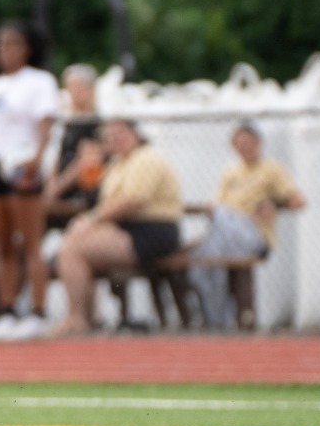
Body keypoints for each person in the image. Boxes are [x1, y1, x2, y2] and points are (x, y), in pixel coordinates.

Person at [55, 117, 185, 334]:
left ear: (135, 134)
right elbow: (96, 198)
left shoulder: (146, 159)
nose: (115, 140)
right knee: (73, 244)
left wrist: (91, 219)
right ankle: (88, 317)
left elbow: (132, 202)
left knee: (72, 249)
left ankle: (77, 318)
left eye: (120, 134)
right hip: (126, 229)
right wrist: (87, 164)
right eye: (110, 136)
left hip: (151, 231)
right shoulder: (116, 164)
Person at [0, 20, 60, 341]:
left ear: (28, 48)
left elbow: (44, 122)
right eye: (0, 45)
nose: (5, 51)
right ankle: (7, 310)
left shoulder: (39, 82)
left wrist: (35, 160)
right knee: (2, 245)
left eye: (13, 44)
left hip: (23, 163)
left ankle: (38, 312)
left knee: (31, 242)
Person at [207, 121, 306, 327]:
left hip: (255, 234)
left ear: (258, 143)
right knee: (200, 265)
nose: (244, 147)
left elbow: (298, 201)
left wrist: (275, 204)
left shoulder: (271, 169)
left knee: (221, 222)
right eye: (239, 143)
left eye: (247, 142)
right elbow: (217, 205)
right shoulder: (230, 173)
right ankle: (218, 319)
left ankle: (242, 318)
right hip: (229, 233)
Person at [47, 64, 104, 225]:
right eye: (70, 88)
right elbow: (59, 156)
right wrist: (51, 185)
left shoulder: (93, 123)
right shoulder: (71, 121)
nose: (74, 93)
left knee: (36, 209)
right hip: (61, 191)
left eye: (79, 87)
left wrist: (56, 189)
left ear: (91, 89)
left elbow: (84, 163)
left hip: (81, 194)